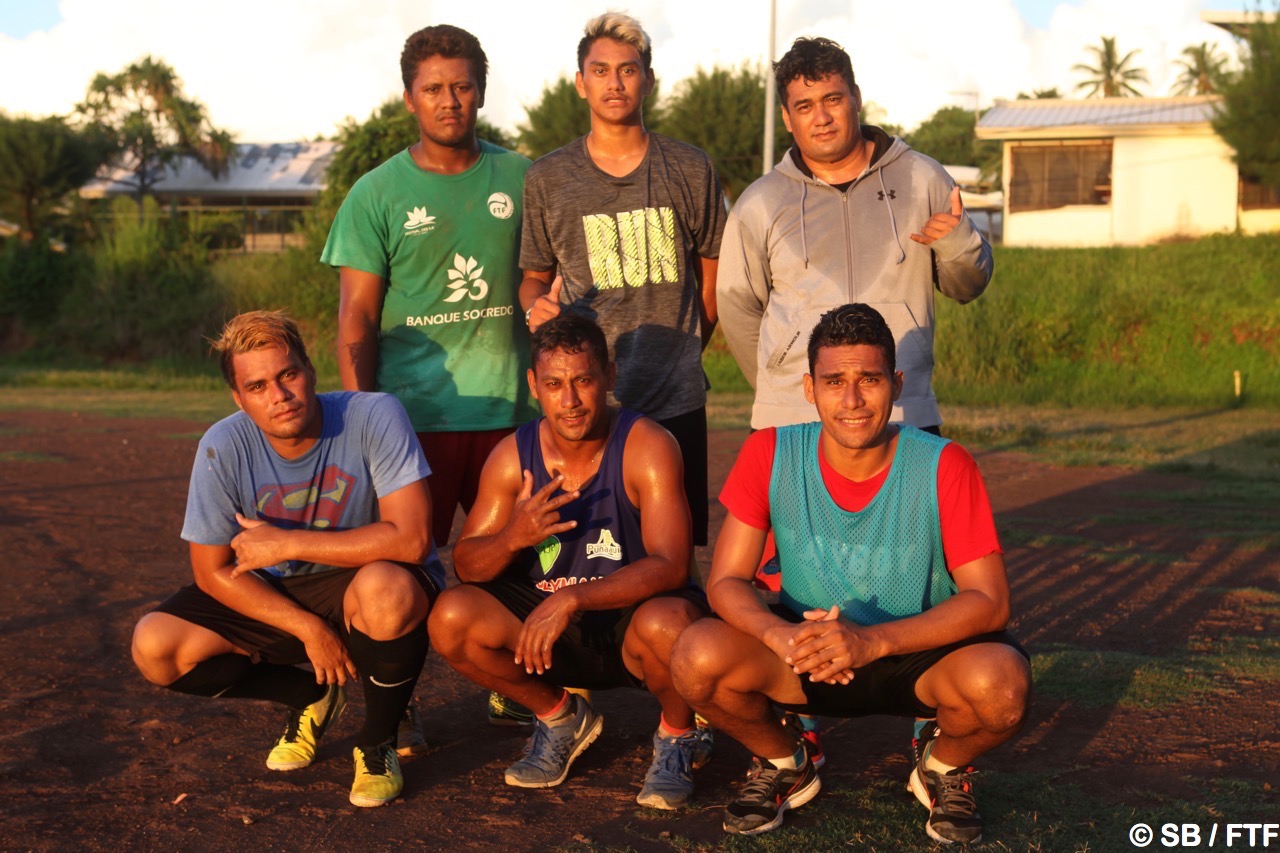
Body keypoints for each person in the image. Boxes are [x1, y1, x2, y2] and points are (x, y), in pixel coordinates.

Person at [671, 304, 1030, 841]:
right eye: (835, 381)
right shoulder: (770, 452)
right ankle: (785, 761)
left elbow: (990, 601)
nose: (853, 399)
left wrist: (870, 641)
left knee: (1001, 687)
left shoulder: (944, 463)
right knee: (694, 655)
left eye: (869, 379)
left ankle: (942, 768)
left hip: (914, 653)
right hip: (804, 650)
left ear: (897, 384)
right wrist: (780, 634)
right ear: (810, 388)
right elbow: (725, 581)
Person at [130, 311, 441, 808]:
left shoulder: (373, 413)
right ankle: (311, 697)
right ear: (239, 398)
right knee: (156, 646)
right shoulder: (222, 445)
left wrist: (288, 543)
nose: (279, 395)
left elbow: (413, 540)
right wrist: (308, 630)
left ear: (310, 370)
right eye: (257, 386)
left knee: (389, 591)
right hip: (282, 591)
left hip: (364, 576)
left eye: (287, 375)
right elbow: (210, 572)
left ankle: (378, 739)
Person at [322, 24, 537, 730]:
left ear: (480, 89)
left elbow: (550, 284)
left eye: (462, 86)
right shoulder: (377, 192)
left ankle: (519, 682)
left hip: (509, 415)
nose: (450, 100)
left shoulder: (522, 177)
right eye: (433, 89)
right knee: (400, 571)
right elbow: (356, 317)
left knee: (519, 561)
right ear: (410, 96)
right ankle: (397, 700)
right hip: (410, 422)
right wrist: (361, 415)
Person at [428, 314, 709, 810]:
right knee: (451, 617)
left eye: (584, 380)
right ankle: (560, 717)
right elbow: (468, 566)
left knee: (671, 621)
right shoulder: (511, 457)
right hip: (550, 630)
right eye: (555, 384)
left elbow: (671, 564)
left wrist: (573, 596)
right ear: (534, 385)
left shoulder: (648, 446)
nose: (571, 400)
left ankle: (678, 735)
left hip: (630, 620)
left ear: (610, 377)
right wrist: (513, 536)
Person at [519, 11, 726, 550]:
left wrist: (684, 351)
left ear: (648, 80)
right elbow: (533, 280)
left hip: (675, 395)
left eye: (629, 70)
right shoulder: (548, 176)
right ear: (580, 81)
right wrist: (534, 309)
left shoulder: (690, 167)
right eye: (601, 70)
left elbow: (713, 275)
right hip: (588, 399)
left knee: (676, 551)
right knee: (587, 546)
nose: (615, 83)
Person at [718, 36, 993, 435]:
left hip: (901, 410)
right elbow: (738, 307)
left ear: (856, 97)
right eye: (805, 106)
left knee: (912, 502)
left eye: (832, 99)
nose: (821, 117)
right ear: (786, 116)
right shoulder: (760, 202)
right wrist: (780, 389)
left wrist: (957, 244)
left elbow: (968, 286)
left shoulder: (922, 178)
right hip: (795, 419)